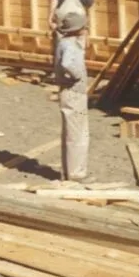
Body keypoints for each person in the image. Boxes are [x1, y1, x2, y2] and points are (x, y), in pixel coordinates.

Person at [53, 10, 89, 183]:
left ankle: (67, 172)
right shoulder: (70, 46)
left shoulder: (64, 42)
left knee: (70, 133)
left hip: (68, 93)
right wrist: (77, 76)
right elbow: (67, 63)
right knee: (78, 135)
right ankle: (76, 174)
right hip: (74, 93)